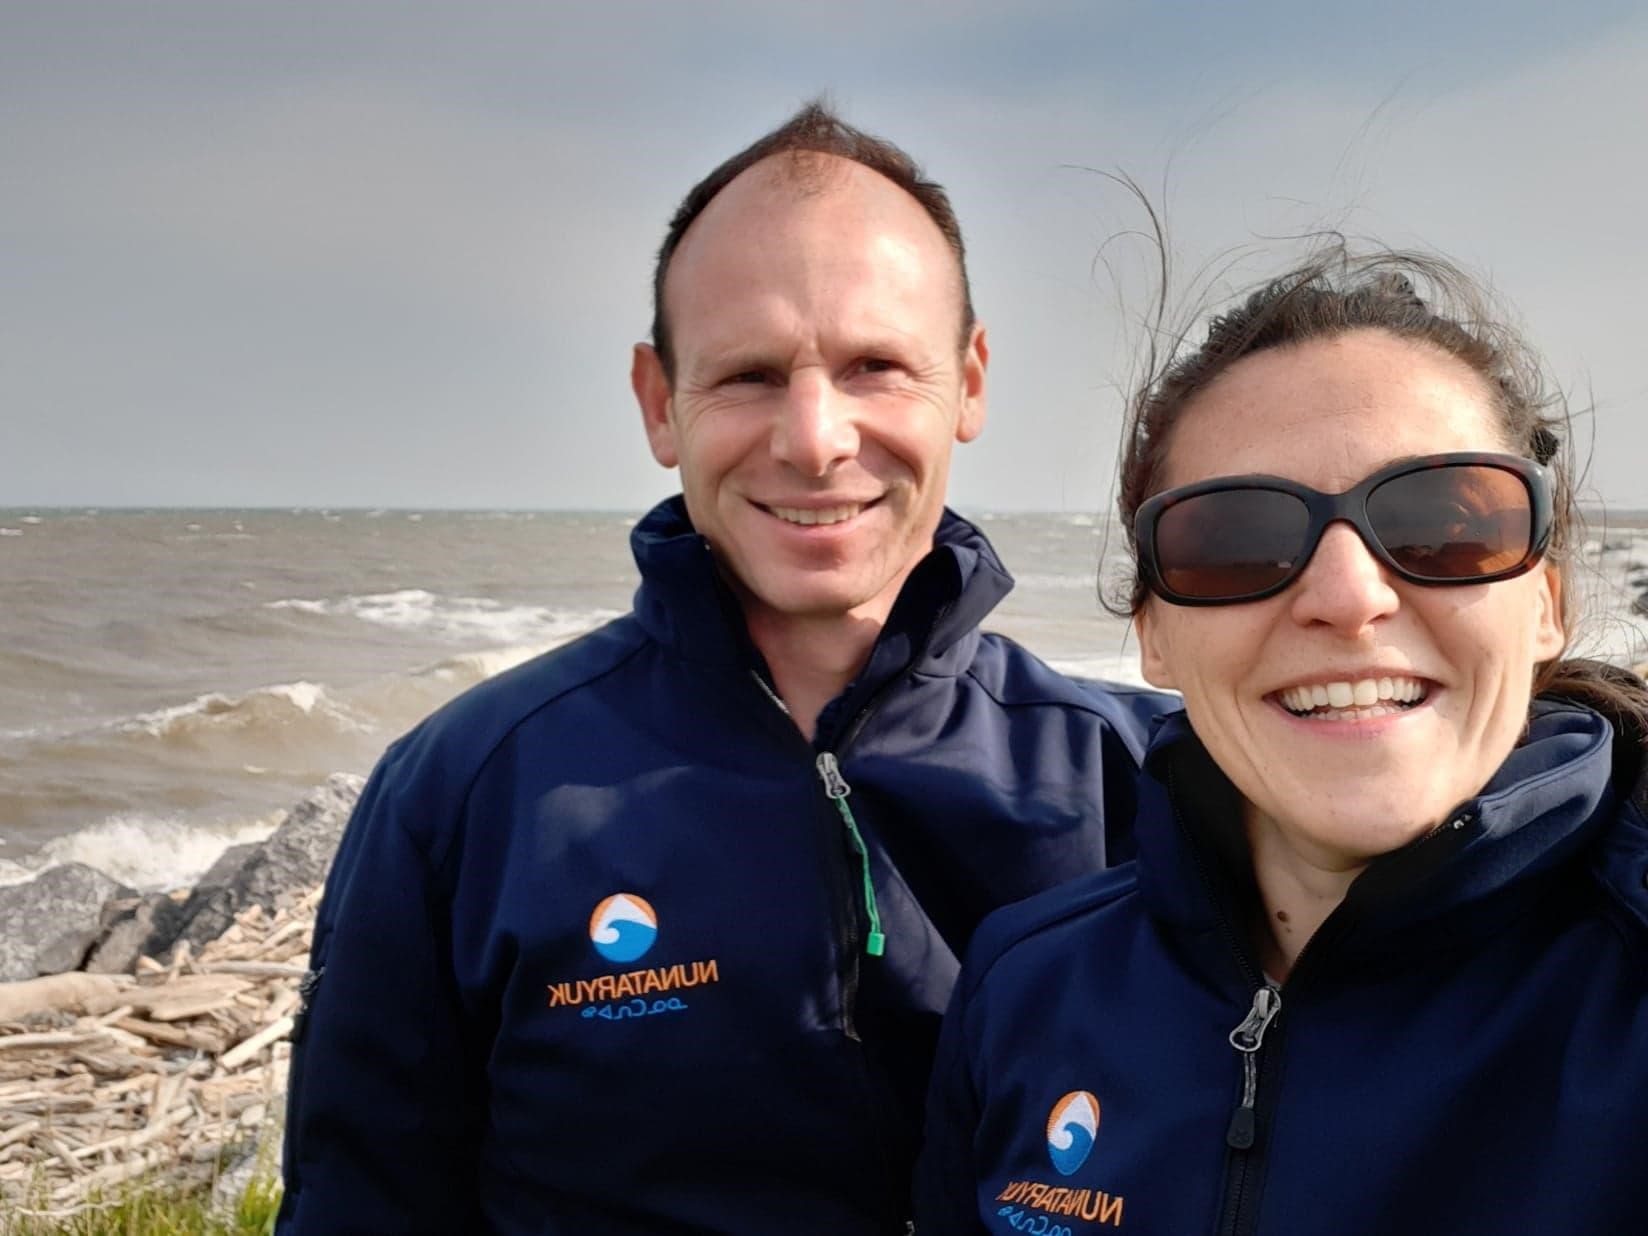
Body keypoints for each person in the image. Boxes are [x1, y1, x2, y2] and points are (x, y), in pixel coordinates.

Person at [275, 103, 1172, 1235]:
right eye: (748, 375)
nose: (813, 438)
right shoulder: (466, 790)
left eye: (875, 366)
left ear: (970, 379)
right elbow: (362, 1205)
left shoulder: (1138, 779)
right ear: (661, 402)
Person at [916, 247, 1648, 1234]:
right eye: (1236, 541)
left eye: (1440, 525)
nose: (1349, 597)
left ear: (1545, 605)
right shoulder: (1025, 984)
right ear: (1155, 634)